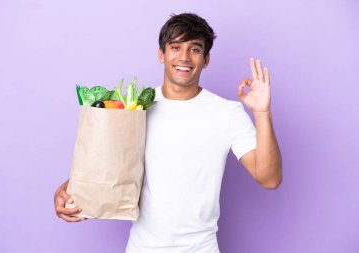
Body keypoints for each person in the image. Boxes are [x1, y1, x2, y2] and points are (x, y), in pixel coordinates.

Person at [54, 13, 282, 252]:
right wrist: (70, 190)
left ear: (206, 60)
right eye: (175, 47)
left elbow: (269, 178)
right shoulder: (136, 108)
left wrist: (262, 113)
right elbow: (110, 169)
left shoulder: (227, 113)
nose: (184, 57)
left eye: (195, 49)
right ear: (161, 54)